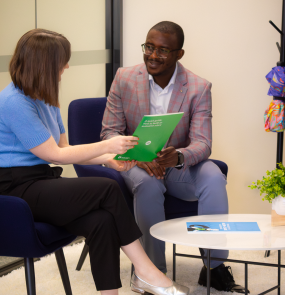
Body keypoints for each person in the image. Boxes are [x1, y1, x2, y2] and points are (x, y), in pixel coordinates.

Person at [0, 28, 190, 295]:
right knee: (106, 189)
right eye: (63, 60)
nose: (67, 65)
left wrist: (109, 158)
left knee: (101, 221)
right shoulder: (13, 101)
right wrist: (108, 145)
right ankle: (146, 271)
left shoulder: (46, 97)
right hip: (14, 189)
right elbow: (53, 155)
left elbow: (65, 147)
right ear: (45, 63)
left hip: (40, 182)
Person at [101, 21, 247, 294]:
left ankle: (213, 266)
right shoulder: (124, 78)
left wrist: (178, 156)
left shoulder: (198, 87)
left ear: (179, 54)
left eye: (163, 50)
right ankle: (152, 271)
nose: (153, 56)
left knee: (213, 176)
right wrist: (138, 156)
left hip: (176, 164)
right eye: (149, 47)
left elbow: (203, 143)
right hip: (136, 162)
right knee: (149, 183)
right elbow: (109, 132)